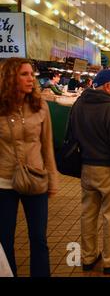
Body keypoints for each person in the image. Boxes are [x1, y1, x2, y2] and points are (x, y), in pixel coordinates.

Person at [70, 69, 110, 275]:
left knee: (88, 214)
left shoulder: (79, 105)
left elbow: (70, 135)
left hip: (87, 168)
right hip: (108, 169)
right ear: (107, 86)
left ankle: (88, 258)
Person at [0, 58, 58, 277]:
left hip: (35, 178)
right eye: (24, 74)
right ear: (9, 78)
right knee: (5, 238)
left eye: (31, 74)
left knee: (39, 238)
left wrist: (52, 179)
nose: (30, 79)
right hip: (4, 181)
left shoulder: (39, 105)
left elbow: (47, 145)